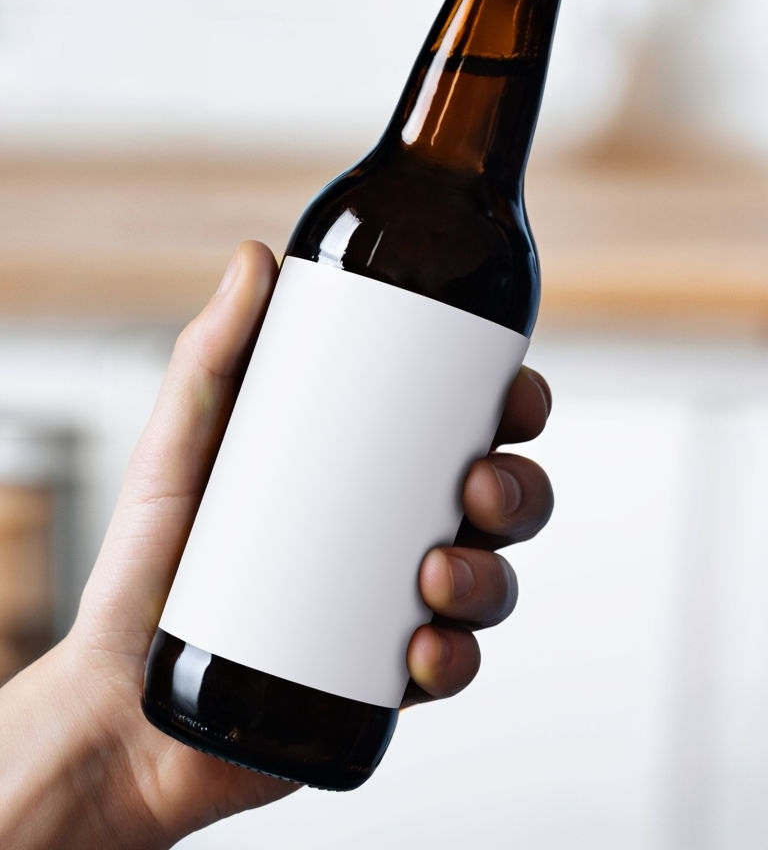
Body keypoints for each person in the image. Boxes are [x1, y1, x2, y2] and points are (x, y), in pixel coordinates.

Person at [0, 241, 554, 850]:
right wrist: (101, 721)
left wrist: (112, 775)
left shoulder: (496, 255)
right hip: (183, 670)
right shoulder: (362, 220)